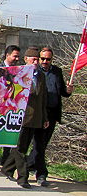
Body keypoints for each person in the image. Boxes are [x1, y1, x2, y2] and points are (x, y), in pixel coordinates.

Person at [1, 47, 48, 189]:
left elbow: (43, 98)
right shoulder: (18, 75)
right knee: (20, 147)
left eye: (37, 59)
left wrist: (44, 117)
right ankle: (22, 177)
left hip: (35, 117)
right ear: (26, 59)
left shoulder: (40, 76)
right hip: (20, 117)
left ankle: (7, 168)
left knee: (24, 146)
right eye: (33, 59)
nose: (36, 61)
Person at [27, 47, 72, 186]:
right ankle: (40, 173)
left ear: (52, 59)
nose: (45, 61)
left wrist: (68, 91)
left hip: (52, 113)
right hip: (39, 112)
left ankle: (28, 165)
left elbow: (61, 91)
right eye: (43, 59)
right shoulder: (35, 71)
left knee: (43, 143)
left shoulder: (57, 72)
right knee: (39, 144)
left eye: (48, 59)